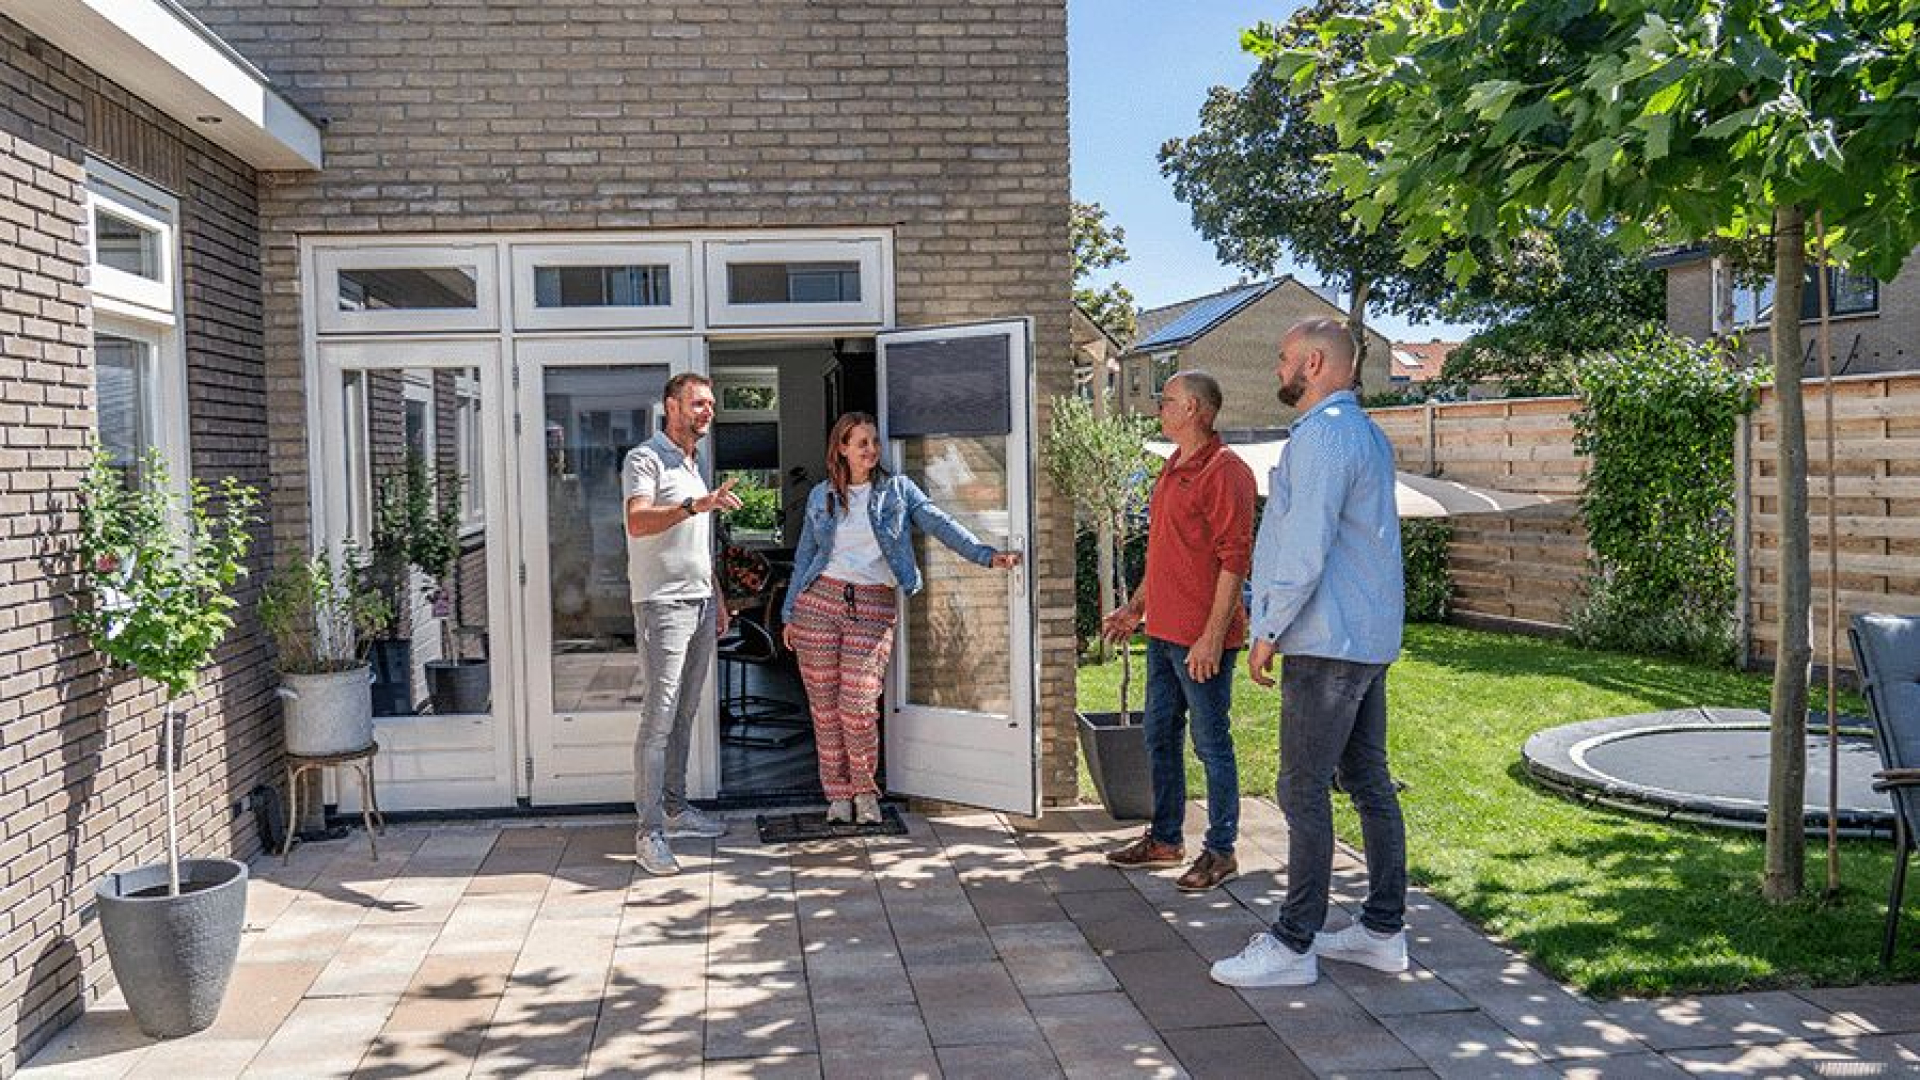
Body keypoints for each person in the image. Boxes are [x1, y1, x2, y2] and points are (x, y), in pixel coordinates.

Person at [1210, 317, 1410, 988]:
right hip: (1364, 636)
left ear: (1316, 362)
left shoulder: (1323, 440)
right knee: (1368, 782)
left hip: (1327, 641)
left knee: (1300, 787)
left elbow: (1304, 545)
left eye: (1284, 357)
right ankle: (1383, 931)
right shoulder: (1366, 435)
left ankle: (1294, 943)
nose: (1277, 369)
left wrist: (1266, 627)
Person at [781, 412, 1021, 825]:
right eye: (861, 443)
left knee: (857, 704)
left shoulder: (897, 491)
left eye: (874, 442)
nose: (871, 450)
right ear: (841, 448)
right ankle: (837, 795)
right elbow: (805, 557)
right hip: (818, 604)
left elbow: (940, 525)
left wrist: (985, 554)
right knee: (823, 707)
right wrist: (789, 613)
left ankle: (864, 791)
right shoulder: (822, 495)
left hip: (872, 606)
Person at [1100, 371, 1256, 893]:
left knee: (1212, 743)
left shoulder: (1227, 472)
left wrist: (1213, 637)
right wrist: (1135, 609)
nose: (1158, 409)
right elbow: (1164, 552)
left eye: (1166, 401)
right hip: (1163, 632)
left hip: (1201, 639)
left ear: (1193, 409)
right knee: (1158, 736)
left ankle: (1221, 850)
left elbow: (1236, 561)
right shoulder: (1172, 466)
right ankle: (1166, 839)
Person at [623, 372, 744, 875]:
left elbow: (697, 543)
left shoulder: (694, 464)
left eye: (711, 404)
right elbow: (638, 520)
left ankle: (675, 809)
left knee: (686, 713)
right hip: (662, 605)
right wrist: (696, 504)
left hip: (697, 602)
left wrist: (716, 597)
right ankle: (648, 833)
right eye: (698, 403)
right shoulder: (644, 458)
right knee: (659, 717)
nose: (707, 411)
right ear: (671, 405)